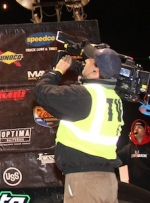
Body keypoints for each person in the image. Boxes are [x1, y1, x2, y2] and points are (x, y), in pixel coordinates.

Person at [34, 45, 124, 203]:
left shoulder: (85, 96)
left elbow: (42, 92)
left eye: (89, 61)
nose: (85, 62)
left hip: (86, 179)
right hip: (108, 179)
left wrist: (57, 71)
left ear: (96, 71)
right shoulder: (112, 96)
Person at [118, 118, 150, 194]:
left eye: (139, 127)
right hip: (136, 191)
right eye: (134, 127)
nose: (136, 129)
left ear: (147, 130)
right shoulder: (128, 148)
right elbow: (116, 159)